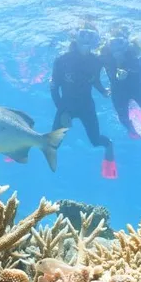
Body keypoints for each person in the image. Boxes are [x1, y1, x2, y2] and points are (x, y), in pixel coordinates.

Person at [49, 23, 117, 179]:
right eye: (83, 33)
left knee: (95, 141)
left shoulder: (96, 61)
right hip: (66, 105)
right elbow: (54, 88)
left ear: (96, 39)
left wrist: (104, 91)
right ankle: (17, 148)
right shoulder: (61, 60)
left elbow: (95, 81)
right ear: (76, 36)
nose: (87, 38)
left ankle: (109, 153)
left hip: (87, 105)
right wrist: (63, 111)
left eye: (91, 35)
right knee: (53, 144)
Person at [98, 27, 141, 139]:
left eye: (120, 43)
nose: (116, 47)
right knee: (123, 116)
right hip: (117, 91)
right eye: (113, 43)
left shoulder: (134, 56)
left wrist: (126, 67)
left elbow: (139, 69)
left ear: (127, 45)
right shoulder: (105, 57)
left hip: (137, 87)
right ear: (108, 45)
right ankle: (132, 130)